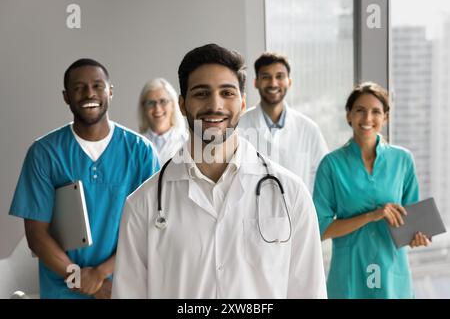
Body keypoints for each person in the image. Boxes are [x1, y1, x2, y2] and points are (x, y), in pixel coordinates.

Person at [112, 43, 327, 299]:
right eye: (201, 93)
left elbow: (309, 292)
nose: (215, 104)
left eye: (227, 93)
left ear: (243, 102)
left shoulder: (291, 195)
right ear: (182, 105)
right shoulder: (142, 205)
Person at [9, 58, 160, 299]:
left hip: (124, 288)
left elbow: (153, 228)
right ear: (66, 96)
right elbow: (37, 236)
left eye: (98, 86)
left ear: (110, 92)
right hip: (63, 290)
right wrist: (84, 280)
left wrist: (102, 275)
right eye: (78, 87)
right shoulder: (44, 153)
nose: (89, 93)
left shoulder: (141, 151)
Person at [313, 82, 431, 299]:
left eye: (376, 111)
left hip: (392, 276)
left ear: (385, 117)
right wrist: (371, 215)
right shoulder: (331, 165)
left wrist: (416, 236)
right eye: (360, 110)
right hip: (350, 276)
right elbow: (320, 229)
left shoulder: (403, 160)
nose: (367, 119)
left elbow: (412, 221)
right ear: (349, 115)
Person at [238, 52, 328, 192]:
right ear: (256, 82)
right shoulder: (239, 126)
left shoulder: (309, 129)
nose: (273, 83)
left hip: (297, 212)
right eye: (266, 77)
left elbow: (324, 179)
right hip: (251, 213)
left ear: (289, 81)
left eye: (279, 76)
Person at [138, 78, 188, 164]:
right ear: (143, 108)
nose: (157, 108)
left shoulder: (188, 141)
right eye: (151, 103)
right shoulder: (136, 144)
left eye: (163, 101)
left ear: (173, 104)